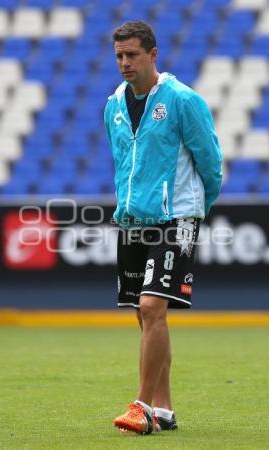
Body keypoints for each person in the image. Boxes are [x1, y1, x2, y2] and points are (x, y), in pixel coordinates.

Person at [104, 20, 222, 435]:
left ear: (153, 54)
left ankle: (139, 406)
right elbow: (123, 167)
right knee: (147, 316)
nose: (125, 63)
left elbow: (211, 162)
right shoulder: (113, 105)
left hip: (177, 218)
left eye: (132, 55)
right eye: (119, 55)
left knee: (153, 308)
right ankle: (164, 409)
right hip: (135, 220)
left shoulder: (182, 100)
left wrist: (195, 211)